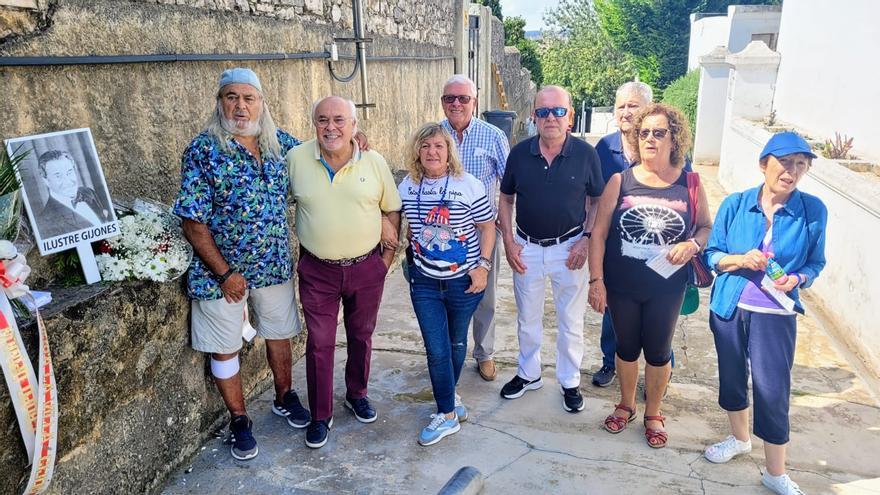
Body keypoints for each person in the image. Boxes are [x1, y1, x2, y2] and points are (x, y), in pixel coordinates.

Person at [174, 68, 310, 461]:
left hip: (272, 264)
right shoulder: (203, 149)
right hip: (220, 273)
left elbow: (323, 153)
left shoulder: (279, 144)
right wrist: (225, 273)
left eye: (249, 98)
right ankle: (239, 419)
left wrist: (356, 141)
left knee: (280, 331)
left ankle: (284, 395)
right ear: (220, 103)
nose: (240, 105)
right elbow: (192, 221)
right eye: (231, 97)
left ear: (262, 104)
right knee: (224, 347)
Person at [702, 132, 826, 495]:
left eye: (800, 165)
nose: (792, 172)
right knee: (731, 377)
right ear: (764, 165)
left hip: (775, 313)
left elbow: (816, 262)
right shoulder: (737, 205)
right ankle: (738, 439)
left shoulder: (812, 211)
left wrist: (798, 277)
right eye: (785, 163)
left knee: (773, 390)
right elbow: (712, 256)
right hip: (729, 306)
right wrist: (740, 259)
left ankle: (775, 472)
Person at [587, 103, 711, 448]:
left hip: (667, 287)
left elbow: (705, 227)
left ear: (675, 138)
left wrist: (693, 245)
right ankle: (625, 405)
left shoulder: (691, 183)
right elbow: (598, 234)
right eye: (644, 133)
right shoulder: (620, 181)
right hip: (622, 285)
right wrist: (596, 281)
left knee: (658, 351)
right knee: (626, 349)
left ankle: (653, 412)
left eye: (659, 132)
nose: (651, 139)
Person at [287, 96, 402, 449]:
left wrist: (384, 262)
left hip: (365, 266)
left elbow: (392, 208)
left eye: (339, 120)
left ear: (354, 126)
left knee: (360, 336)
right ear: (314, 124)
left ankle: (357, 393)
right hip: (317, 270)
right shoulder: (295, 159)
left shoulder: (374, 160)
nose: (331, 127)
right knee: (319, 344)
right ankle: (321, 415)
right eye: (323, 120)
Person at [497, 85, 605, 413]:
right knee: (527, 318)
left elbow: (597, 200)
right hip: (526, 247)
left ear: (570, 116)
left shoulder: (586, 154)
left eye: (558, 111)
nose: (551, 118)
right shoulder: (520, 153)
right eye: (543, 112)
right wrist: (509, 241)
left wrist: (586, 238)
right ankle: (529, 374)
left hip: (569, 248)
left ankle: (569, 380)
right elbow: (505, 197)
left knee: (570, 321)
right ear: (534, 117)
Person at [399, 123, 496, 446]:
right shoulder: (407, 186)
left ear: (449, 151)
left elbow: (487, 227)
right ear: (417, 151)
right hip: (425, 281)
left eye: (439, 146)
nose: (432, 152)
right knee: (437, 349)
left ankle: (449, 400)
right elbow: (397, 219)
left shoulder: (468, 184)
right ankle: (447, 413)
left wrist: (483, 267)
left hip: (463, 281)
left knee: (456, 344)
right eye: (425, 146)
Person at [592, 82, 687, 388]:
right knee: (615, 316)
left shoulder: (676, 159)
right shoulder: (604, 149)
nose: (626, 111)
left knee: (660, 328)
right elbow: (592, 196)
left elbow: (692, 207)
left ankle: (659, 374)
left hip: (663, 261)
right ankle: (612, 363)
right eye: (621, 106)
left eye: (633, 105)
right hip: (619, 252)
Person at [439, 74, 509, 382]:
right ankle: (444, 354)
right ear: (442, 102)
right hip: (439, 235)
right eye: (449, 98)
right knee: (443, 298)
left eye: (463, 98)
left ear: (474, 102)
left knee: (484, 296)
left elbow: (508, 187)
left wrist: (508, 228)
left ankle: (484, 353)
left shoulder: (493, 136)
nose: (456, 104)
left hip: (482, 234)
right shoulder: (432, 135)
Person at [35, 150, 112, 239]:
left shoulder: (88, 192)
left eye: (69, 172)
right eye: (58, 176)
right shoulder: (46, 220)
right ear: (46, 181)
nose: (68, 181)